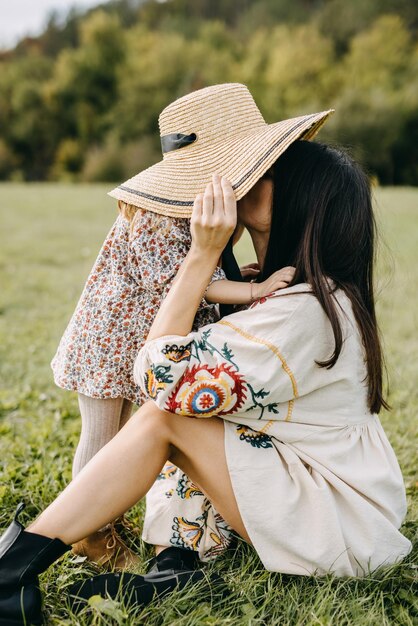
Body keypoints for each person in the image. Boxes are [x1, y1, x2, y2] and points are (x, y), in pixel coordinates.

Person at [0, 84, 411, 626]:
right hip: (324, 493)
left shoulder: (301, 312)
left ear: (293, 203)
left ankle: (11, 573)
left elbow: (158, 373)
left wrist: (201, 258)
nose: (238, 184)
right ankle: (175, 565)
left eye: (263, 173)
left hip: (337, 526)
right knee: (192, 410)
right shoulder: (302, 292)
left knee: (169, 413)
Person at [51, 143, 289, 568]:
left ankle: (104, 514)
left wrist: (239, 279)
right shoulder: (155, 215)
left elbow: (205, 274)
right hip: (110, 341)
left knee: (125, 434)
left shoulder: (194, 212)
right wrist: (254, 290)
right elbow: (183, 281)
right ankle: (88, 534)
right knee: (103, 436)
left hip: (139, 340)